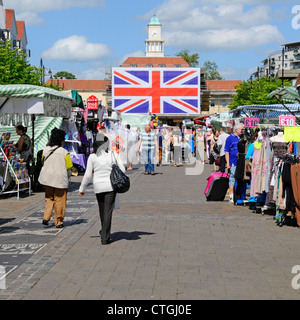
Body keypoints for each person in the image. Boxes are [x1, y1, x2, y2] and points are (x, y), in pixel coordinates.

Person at [78, 135, 125, 245]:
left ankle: (104, 231)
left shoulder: (92, 157)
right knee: (108, 211)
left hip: (98, 187)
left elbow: (88, 175)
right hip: (110, 186)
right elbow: (122, 169)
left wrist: (82, 189)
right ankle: (105, 236)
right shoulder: (113, 154)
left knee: (102, 210)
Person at [38, 128, 73, 228]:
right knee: (60, 200)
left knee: (49, 198)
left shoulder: (45, 150)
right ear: (61, 140)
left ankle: (46, 217)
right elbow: (69, 165)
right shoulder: (64, 152)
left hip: (47, 178)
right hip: (60, 179)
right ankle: (58, 221)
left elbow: (42, 161)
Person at [224, 123, 244, 203]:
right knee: (232, 178)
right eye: (241, 129)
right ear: (236, 130)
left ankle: (238, 195)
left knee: (240, 179)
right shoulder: (230, 138)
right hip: (233, 162)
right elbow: (226, 151)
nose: (242, 131)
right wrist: (228, 163)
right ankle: (231, 196)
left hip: (241, 162)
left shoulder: (242, 138)